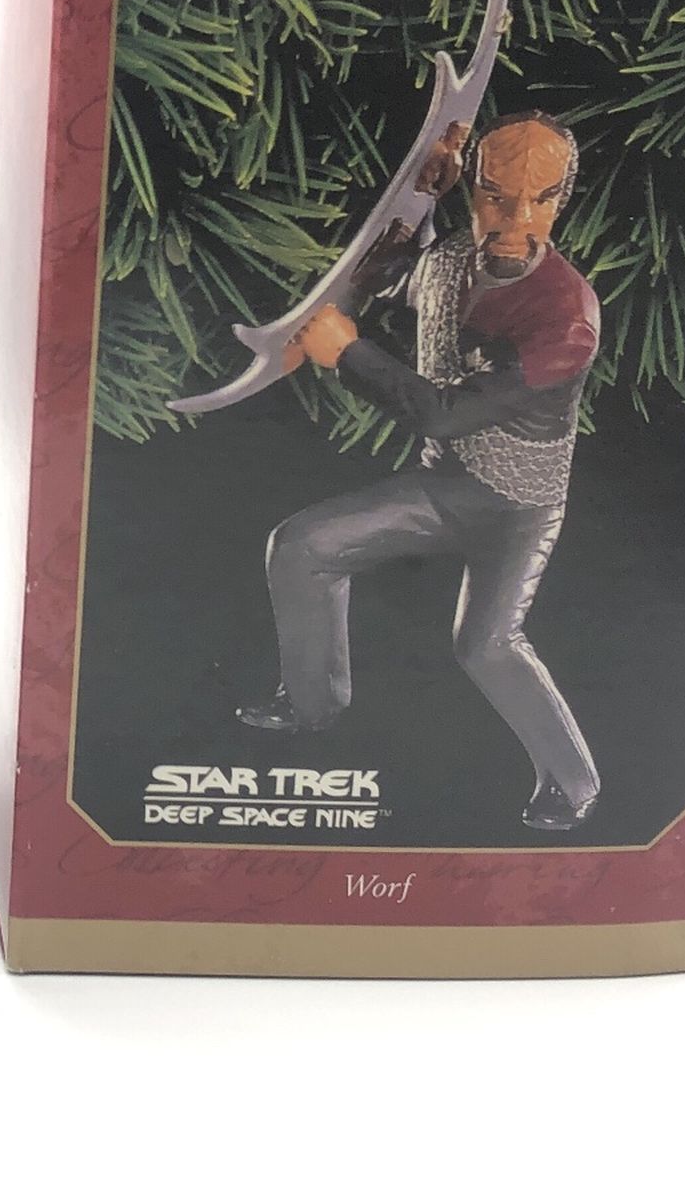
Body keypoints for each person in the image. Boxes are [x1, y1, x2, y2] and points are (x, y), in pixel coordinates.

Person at [238, 113, 603, 832]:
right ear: (475, 190)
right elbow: (404, 282)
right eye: (497, 197)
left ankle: (573, 783)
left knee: (487, 646)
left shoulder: (566, 320)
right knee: (303, 546)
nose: (516, 222)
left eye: (538, 201)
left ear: (562, 200)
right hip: (446, 486)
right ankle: (312, 703)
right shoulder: (456, 259)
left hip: (516, 507)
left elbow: (441, 413)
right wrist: (419, 202)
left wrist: (347, 353)